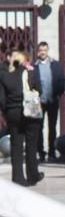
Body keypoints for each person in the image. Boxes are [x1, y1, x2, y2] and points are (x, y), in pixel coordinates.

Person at [0, 50, 44, 186]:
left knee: (16, 146)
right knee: (31, 145)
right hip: (30, 112)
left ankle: (18, 178)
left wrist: (7, 112)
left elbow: (2, 98)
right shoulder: (30, 71)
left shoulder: (4, 75)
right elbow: (39, 89)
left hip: (13, 113)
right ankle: (33, 175)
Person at [31, 41, 65, 162]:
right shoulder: (33, 66)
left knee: (52, 127)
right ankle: (41, 152)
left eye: (45, 50)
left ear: (47, 51)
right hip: (38, 102)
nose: (42, 52)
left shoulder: (55, 64)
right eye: (40, 50)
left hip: (52, 100)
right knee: (38, 127)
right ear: (37, 51)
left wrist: (57, 93)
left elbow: (62, 80)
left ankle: (52, 152)